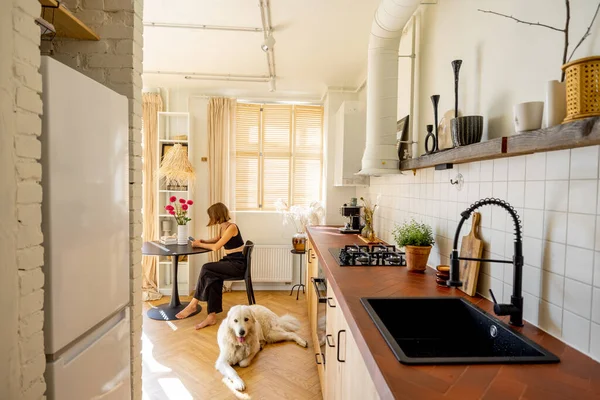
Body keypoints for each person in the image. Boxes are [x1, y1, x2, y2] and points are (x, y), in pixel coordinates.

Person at [175, 202, 246, 329]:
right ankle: (211, 317)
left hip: (237, 264)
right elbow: (217, 239)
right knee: (212, 276)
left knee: (206, 268)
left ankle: (193, 304)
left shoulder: (232, 227)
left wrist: (199, 245)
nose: (210, 219)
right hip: (229, 260)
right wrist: (202, 241)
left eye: (211, 216)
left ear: (217, 215)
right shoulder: (223, 227)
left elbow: (215, 247)